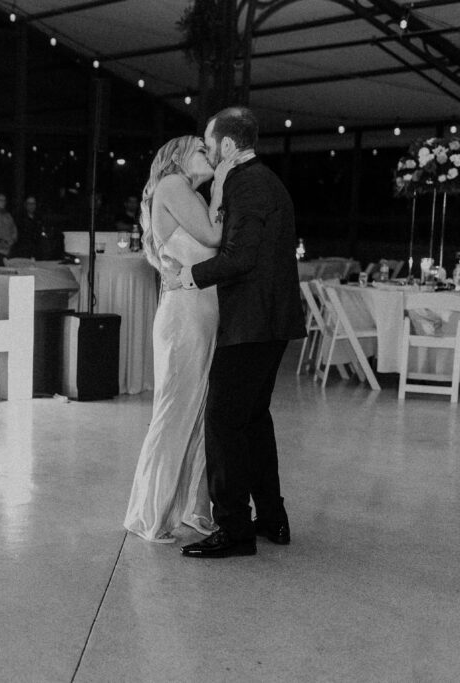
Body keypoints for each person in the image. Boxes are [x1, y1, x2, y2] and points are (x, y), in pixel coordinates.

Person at [162, 106, 306, 559]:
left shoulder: (248, 184)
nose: (206, 150)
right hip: (269, 320)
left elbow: (240, 257)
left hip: (252, 322)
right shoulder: (264, 180)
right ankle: (272, 518)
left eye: (209, 143)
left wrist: (186, 278)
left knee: (223, 421)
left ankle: (234, 530)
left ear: (227, 145)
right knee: (253, 421)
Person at [123, 135, 235, 543]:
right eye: (203, 150)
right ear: (178, 156)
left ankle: (193, 507)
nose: (211, 156)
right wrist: (222, 184)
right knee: (175, 413)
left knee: (198, 413)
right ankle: (150, 514)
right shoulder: (173, 185)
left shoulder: (185, 191)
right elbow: (212, 238)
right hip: (186, 314)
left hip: (201, 312)